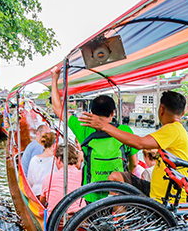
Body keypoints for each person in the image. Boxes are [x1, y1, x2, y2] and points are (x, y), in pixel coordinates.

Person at [78, 91, 188, 203]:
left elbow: (139, 143)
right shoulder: (177, 130)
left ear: (161, 109)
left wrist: (104, 126)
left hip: (166, 197)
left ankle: (119, 219)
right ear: (183, 113)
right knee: (117, 177)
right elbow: (135, 159)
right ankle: (120, 219)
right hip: (156, 190)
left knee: (118, 181)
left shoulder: (173, 129)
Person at [50, 67, 138, 202]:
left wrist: (54, 79)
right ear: (113, 112)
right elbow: (134, 163)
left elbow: (58, 109)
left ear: (91, 112)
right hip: (119, 191)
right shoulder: (125, 131)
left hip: (92, 193)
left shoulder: (83, 128)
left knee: (94, 222)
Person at [40, 142, 85, 211]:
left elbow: (43, 201)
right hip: (80, 218)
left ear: (58, 159)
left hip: (56, 220)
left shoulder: (48, 178)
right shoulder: (83, 175)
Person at [27, 132, 56, 196]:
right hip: (49, 193)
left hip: (35, 193)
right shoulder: (54, 160)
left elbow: (30, 180)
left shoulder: (33, 159)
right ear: (54, 146)